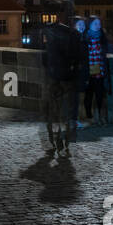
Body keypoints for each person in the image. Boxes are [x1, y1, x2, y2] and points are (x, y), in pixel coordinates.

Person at [43, 16, 88, 154]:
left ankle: (54, 139)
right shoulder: (75, 35)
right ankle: (65, 141)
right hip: (68, 77)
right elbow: (81, 57)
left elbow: (44, 56)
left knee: (54, 111)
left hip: (54, 76)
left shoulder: (49, 32)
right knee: (67, 112)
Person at [84, 17, 113, 125]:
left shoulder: (102, 37)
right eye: (96, 23)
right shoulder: (85, 36)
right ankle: (89, 116)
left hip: (100, 71)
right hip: (88, 72)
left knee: (99, 95)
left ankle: (99, 117)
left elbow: (111, 49)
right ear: (90, 24)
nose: (98, 25)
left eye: (99, 23)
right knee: (88, 94)